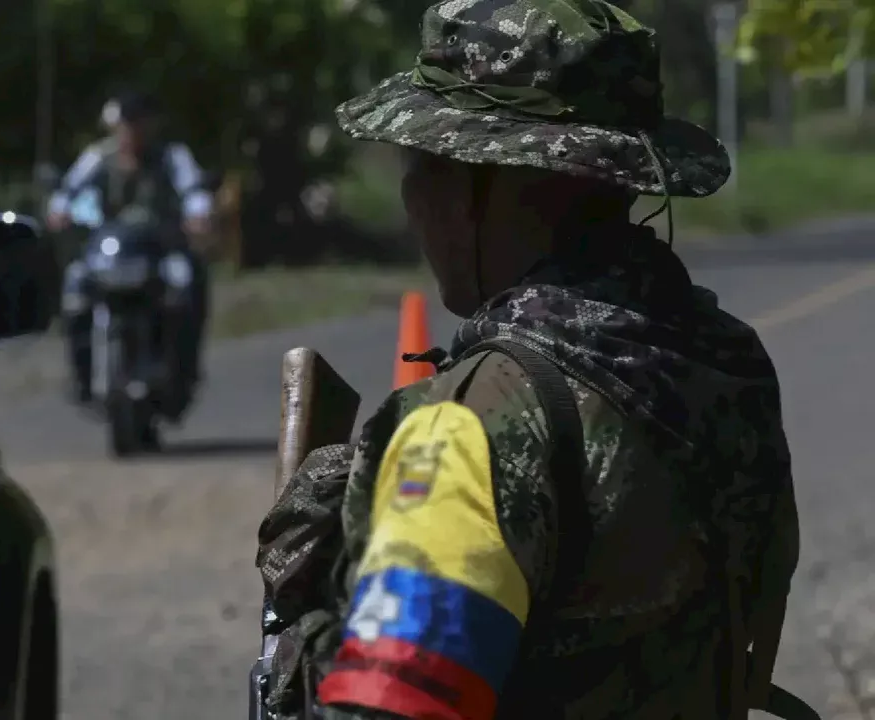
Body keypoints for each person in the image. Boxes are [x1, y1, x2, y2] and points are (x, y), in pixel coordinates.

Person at [255, 1, 815, 719]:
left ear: (476, 182)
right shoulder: (724, 365)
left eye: (421, 163)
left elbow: (389, 707)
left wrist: (308, 623)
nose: (412, 197)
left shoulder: (471, 428)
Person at [47, 89, 213, 402]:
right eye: (127, 123)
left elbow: (194, 191)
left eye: (140, 123)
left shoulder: (172, 157)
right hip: (108, 252)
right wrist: (60, 210)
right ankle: (81, 371)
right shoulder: (99, 157)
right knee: (75, 286)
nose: (132, 131)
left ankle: (182, 369)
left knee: (186, 284)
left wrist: (198, 216)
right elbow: (69, 189)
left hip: (159, 251)